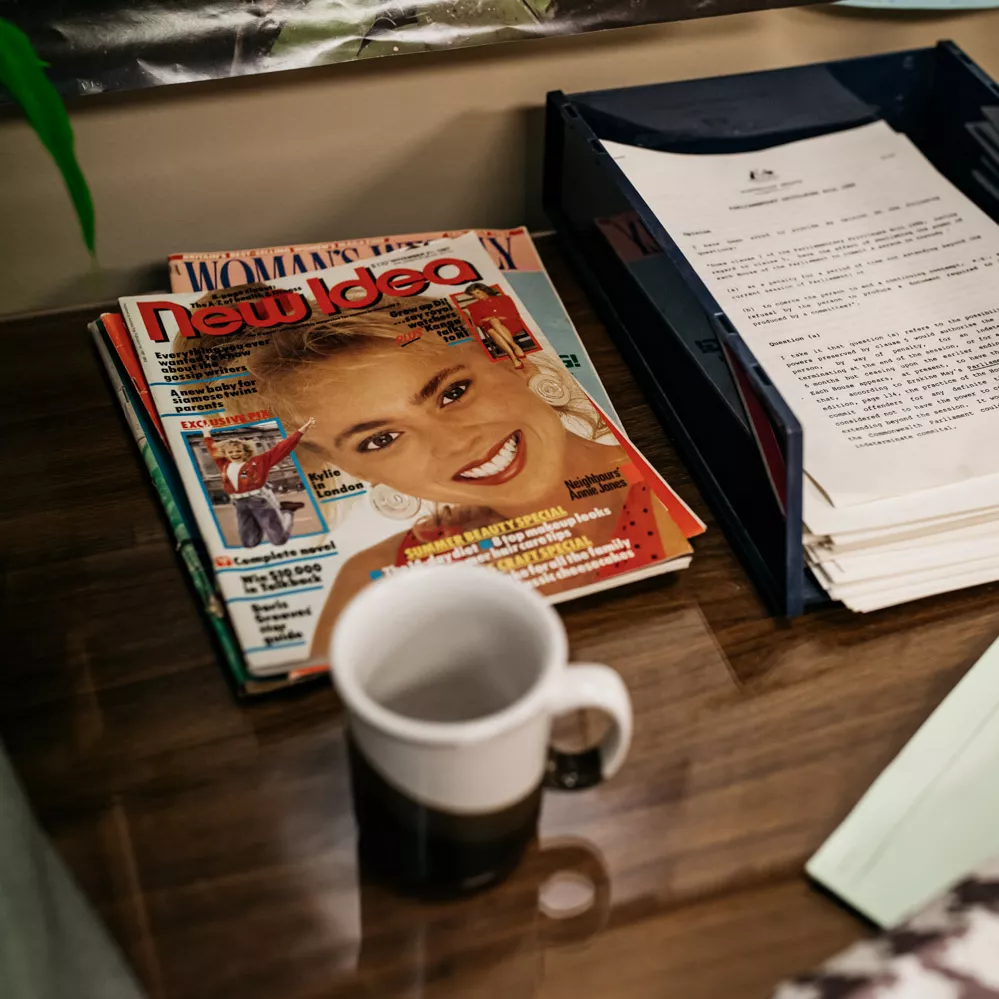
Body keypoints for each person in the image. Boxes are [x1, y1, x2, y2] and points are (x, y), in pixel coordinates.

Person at [192, 296, 689, 656]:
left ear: (507, 357)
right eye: (380, 439)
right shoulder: (372, 587)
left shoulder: (678, 473)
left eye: (452, 392)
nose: (455, 444)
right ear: (348, 468)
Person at [202, 419, 315, 547]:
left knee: (279, 540)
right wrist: (206, 434)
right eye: (231, 452)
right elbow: (212, 451)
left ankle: (287, 512)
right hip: (239, 504)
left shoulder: (259, 461)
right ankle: (263, 521)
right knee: (250, 543)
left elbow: (281, 448)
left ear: (246, 451)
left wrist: (301, 431)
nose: (235, 454)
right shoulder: (224, 464)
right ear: (225, 454)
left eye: (238, 451)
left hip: (259, 500)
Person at [462, 282, 536, 369]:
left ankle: (514, 353)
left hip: (510, 323)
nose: (476, 296)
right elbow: (477, 323)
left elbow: (514, 314)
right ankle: (514, 353)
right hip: (491, 327)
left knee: (493, 323)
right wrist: (484, 320)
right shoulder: (473, 306)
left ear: (484, 290)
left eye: (478, 292)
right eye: (473, 294)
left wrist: (496, 317)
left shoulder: (504, 298)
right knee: (492, 329)